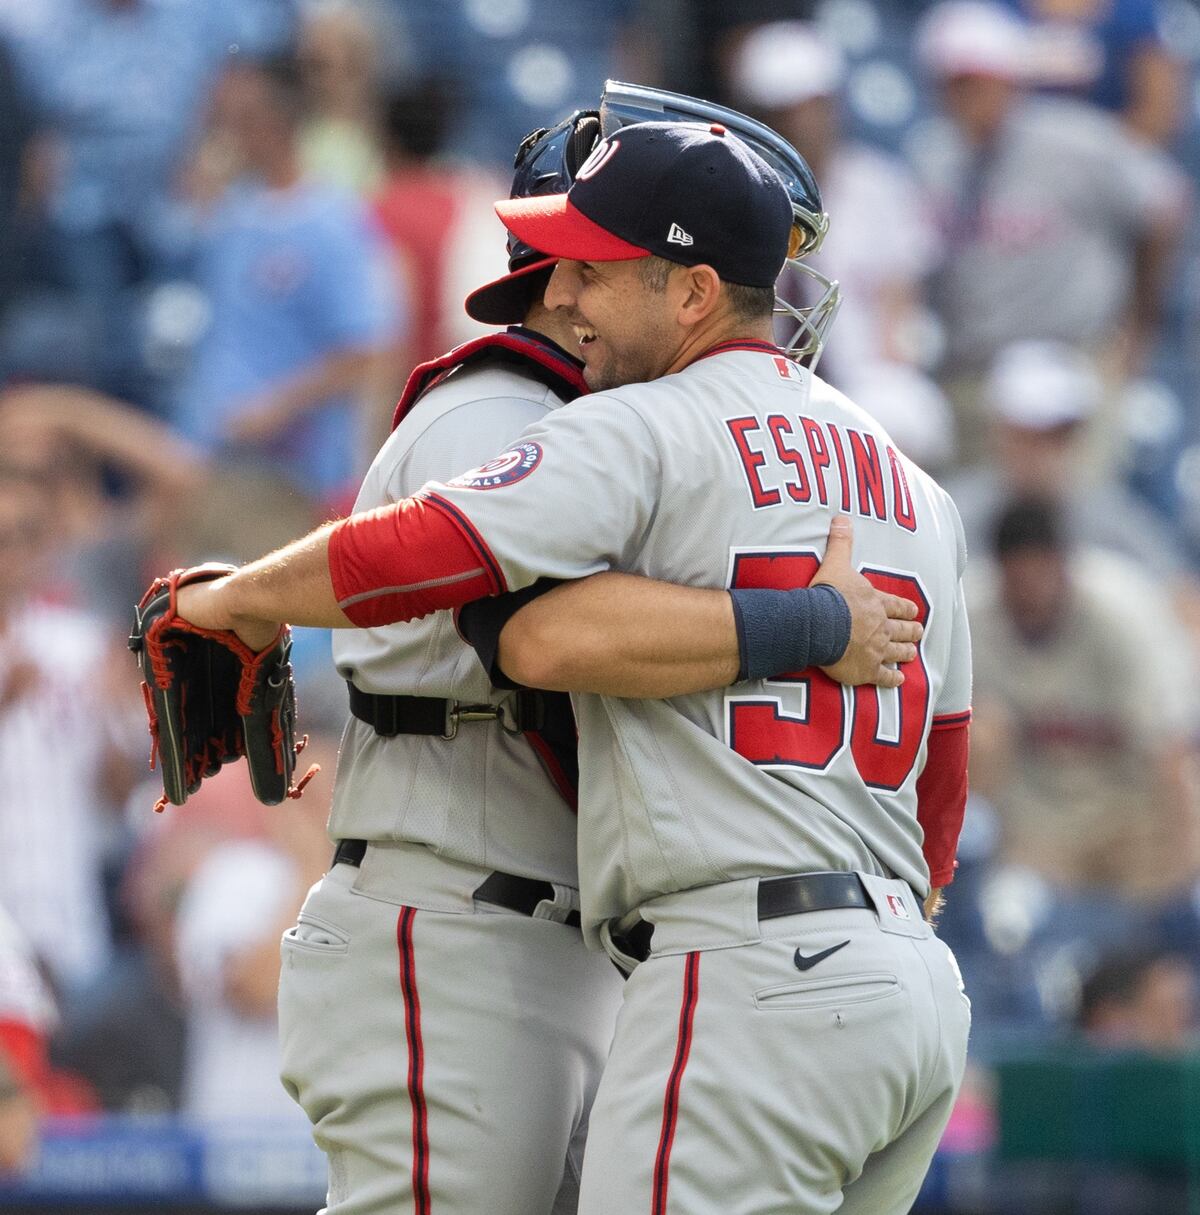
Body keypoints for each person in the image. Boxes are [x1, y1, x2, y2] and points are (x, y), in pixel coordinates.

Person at [165, 118, 969, 1214]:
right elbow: (942, 785)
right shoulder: (915, 488)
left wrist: (232, 599)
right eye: (564, 264)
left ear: (691, 291)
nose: (567, 288)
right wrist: (813, 626)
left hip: (739, 964)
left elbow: (484, 596)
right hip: (890, 982)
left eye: (593, 263)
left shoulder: (643, 427)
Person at [913, 0, 1188, 466]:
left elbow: (1165, 207)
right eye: (954, 84)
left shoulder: (1074, 139)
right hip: (976, 371)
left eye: (978, 82)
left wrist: (1139, 323)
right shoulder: (935, 158)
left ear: (1009, 81)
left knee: (1074, 503)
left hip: (1071, 364)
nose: (968, 98)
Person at [174, 55, 401, 505]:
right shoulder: (230, 215)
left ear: (274, 121)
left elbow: (367, 351)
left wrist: (274, 409)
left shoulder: (333, 221)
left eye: (239, 119)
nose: (226, 134)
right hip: (215, 455)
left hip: (291, 475)